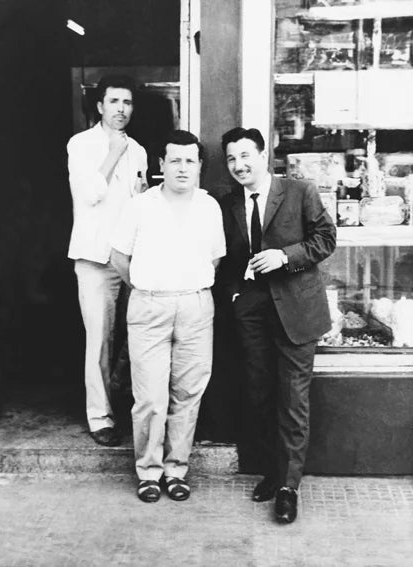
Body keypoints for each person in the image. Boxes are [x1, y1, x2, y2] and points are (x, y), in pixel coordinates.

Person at [219, 127, 336, 523]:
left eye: (245, 156)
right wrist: (235, 294)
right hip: (252, 314)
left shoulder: (299, 192)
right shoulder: (228, 203)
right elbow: (226, 258)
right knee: (261, 395)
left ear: (263, 155)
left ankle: (288, 488)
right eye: (231, 158)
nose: (239, 165)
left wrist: (285, 257)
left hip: (297, 311)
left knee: (292, 400)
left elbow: (326, 238)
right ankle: (274, 470)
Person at [110, 130, 226, 503]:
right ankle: (149, 471)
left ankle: (176, 470)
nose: (182, 168)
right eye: (174, 160)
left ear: (200, 166)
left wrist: (184, 288)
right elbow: (119, 258)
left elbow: (215, 259)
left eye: (190, 161)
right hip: (149, 307)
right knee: (149, 396)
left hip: (195, 307)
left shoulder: (209, 207)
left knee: (188, 393)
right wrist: (148, 289)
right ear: (161, 164)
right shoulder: (140, 205)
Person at [67, 75, 148, 446]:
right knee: (99, 338)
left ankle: (121, 395)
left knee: (137, 333)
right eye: (114, 101)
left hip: (130, 259)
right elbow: (89, 194)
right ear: (100, 106)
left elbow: (139, 203)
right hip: (95, 258)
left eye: (127, 102)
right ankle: (100, 417)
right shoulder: (81, 144)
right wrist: (113, 153)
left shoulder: (139, 150)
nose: (121, 109)